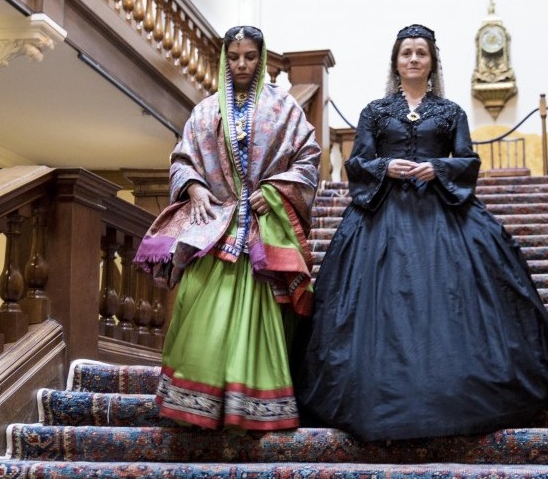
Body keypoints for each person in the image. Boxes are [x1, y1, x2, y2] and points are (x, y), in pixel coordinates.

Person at [294, 24, 548, 442]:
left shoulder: (451, 113)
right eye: (406, 53)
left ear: (432, 62)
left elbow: (467, 161)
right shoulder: (375, 112)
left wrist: (440, 168)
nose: (413, 59)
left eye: (421, 53)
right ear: (396, 62)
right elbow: (357, 164)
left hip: (442, 213)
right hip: (381, 217)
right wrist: (384, 167)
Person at [134, 26, 320, 432]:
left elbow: (308, 161)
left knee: (257, 324)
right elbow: (182, 158)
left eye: (250, 57)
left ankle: (252, 409)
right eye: (234, 57)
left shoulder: (285, 109)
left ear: (262, 58)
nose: (241, 64)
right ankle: (191, 405)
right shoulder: (205, 110)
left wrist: (273, 191)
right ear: (224, 59)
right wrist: (196, 188)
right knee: (198, 311)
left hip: (261, 234)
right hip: (214, 229)